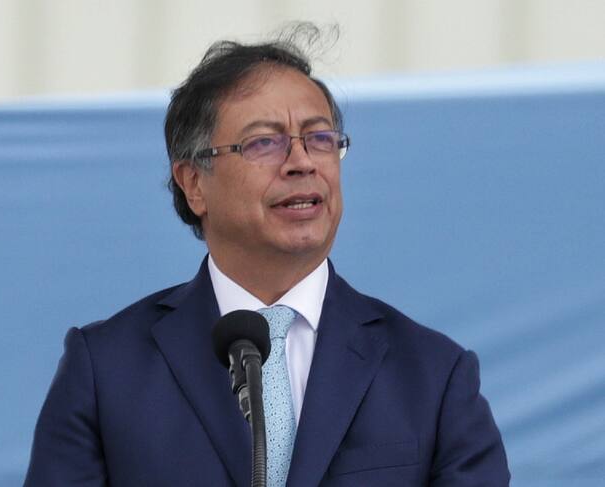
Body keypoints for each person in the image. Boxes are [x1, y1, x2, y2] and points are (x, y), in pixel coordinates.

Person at [25, 24, 510, 486]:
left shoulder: (433, 375)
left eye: (320, 139)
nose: (302, 162)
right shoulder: (106, 370)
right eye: (264, 143)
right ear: (194, 183)